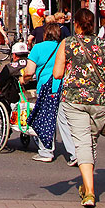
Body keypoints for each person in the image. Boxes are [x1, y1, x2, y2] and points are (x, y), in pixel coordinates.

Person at [52, 8, 105, 208]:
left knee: (82, 143)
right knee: (90, 141)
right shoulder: (103, 44)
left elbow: (57, 74)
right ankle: (87, 185)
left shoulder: (68, 44)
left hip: (75, 100)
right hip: (100, 101)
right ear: (93, 24)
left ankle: (90, 191)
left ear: (75, 24)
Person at [20, 21, 76, 165]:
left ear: (45, 34)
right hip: (63, 87)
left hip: (46, 89)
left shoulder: (38, 48)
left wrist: (24, 79)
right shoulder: (63, 48)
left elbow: (30, 71)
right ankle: (74, 154)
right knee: (64, 121)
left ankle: (46, 151)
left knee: (46, 119)